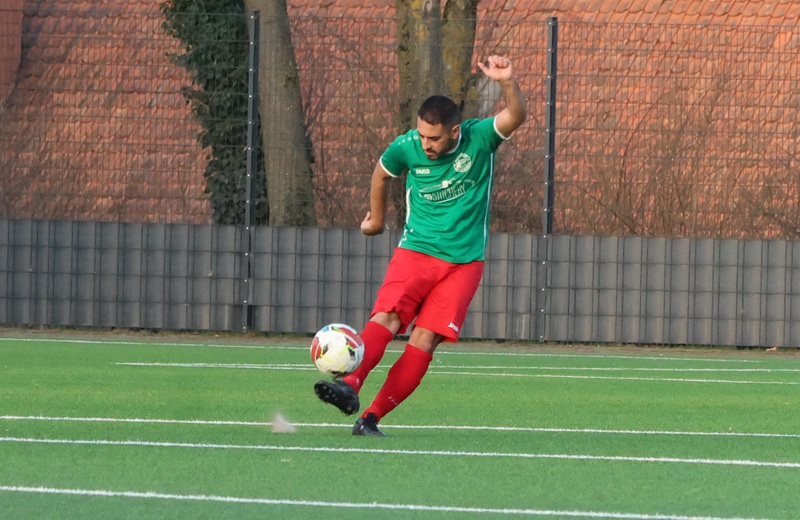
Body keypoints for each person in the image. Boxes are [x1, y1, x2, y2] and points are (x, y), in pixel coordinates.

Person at [315, 55, 527, 436]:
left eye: (434, 138)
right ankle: (349, 385)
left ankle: (370, 418)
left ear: (455, 131)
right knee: (387, 317)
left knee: (424, 340)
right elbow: (382, 173)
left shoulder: (480, 138)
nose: (425, 144)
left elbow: (516, 115)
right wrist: (376, 220)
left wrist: (507, 81)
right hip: (416, 251)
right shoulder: (407, 146)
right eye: (422, 135)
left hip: (464, 262)